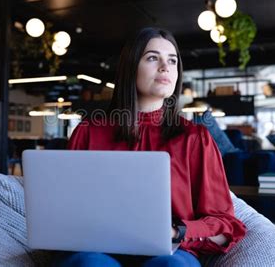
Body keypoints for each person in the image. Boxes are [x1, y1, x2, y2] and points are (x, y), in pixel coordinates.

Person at [55, 27, 247, 266]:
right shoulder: (89, 132)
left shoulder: (195, 138)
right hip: (99, 248)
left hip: (171, 252)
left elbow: (225, 225)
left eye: (172, 60)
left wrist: (176, 231)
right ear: (131, 66)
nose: (165, 67)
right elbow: (66, 209)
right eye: (152, 58)